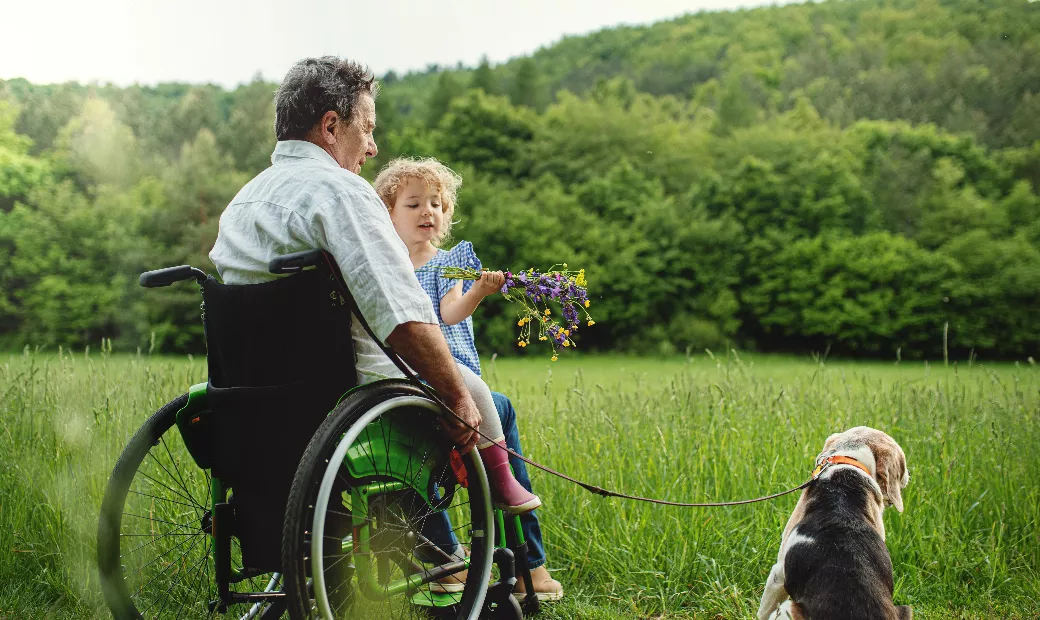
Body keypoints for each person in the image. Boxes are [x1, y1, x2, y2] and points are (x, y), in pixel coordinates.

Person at [208, 56, 560, 601]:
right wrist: (458, 401)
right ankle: (456, 557)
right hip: (344, 395)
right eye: (367, 129)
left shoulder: (246, 199)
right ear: (331, 126)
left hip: (252, 401)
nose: (372, 148)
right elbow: (405, 318)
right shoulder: (340, 195)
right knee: (473, 397)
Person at [373, 156, 539, 516]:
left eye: (435, 204)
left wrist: (477, 291)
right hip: (404, 368)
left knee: (478, 393)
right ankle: (443, 548)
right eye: (414, 204)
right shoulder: (386, 264)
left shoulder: (448, 263)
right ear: (388, 213)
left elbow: (450, 313)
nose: (427, 212)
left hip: (445, 365)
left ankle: (500, 476)